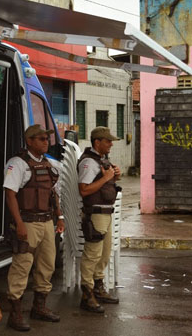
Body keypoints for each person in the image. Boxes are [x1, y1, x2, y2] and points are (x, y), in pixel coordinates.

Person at [3, 124, 65, 331]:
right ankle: (15, 313)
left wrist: (60, 216)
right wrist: (19, 223)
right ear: (29, 141)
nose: (46, 142)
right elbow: (10, 194)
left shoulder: (49, 164)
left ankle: (39, 307)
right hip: (27, 222)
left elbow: (52, 193)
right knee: (22, 265)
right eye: (41, 139)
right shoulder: (17, 163)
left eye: (47, 139)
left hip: (47, 222)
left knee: (47, 265)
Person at [78, 126, 121, 313]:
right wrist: (107, 179)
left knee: (104, 253)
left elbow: (106, 184)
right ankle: (87, 295)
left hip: (106, 213)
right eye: (108, 141)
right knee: (92, 254)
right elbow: (84, 190)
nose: (111, 144)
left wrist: (114, 176)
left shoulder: (102, 160)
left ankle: (98, 287)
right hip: (95, 213)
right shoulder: (88, 162)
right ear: (97, 142)